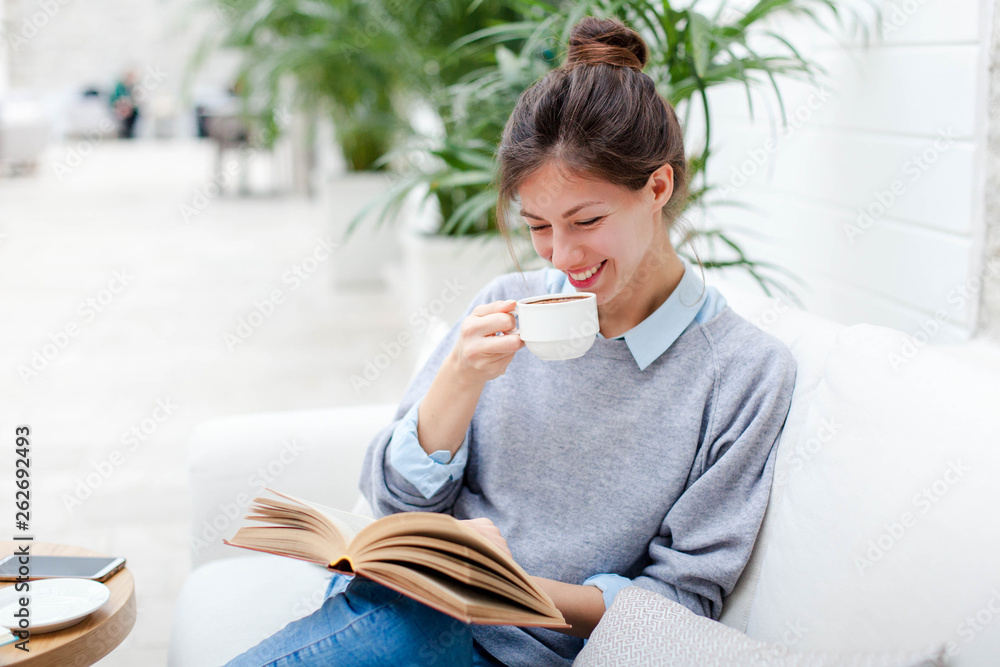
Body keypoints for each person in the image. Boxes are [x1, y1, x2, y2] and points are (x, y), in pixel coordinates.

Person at [224, 15, 797, 667]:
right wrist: (460, 379)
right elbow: (395, 502)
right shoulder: (504, 305)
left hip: (515, 649)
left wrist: (507, 590)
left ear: (657, 186)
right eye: (539, 226)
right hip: (406, 608)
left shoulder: (745, 373)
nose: (563, 254)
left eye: (586, 220)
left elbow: (679, 607)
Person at [110, 69, 140, 139]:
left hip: (131, 109)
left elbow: (135, 99)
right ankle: (124, 132)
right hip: (119, 107)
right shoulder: (119, 86)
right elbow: (114, 98)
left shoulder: (134, 86)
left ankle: (130, 131)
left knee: (134, 112)